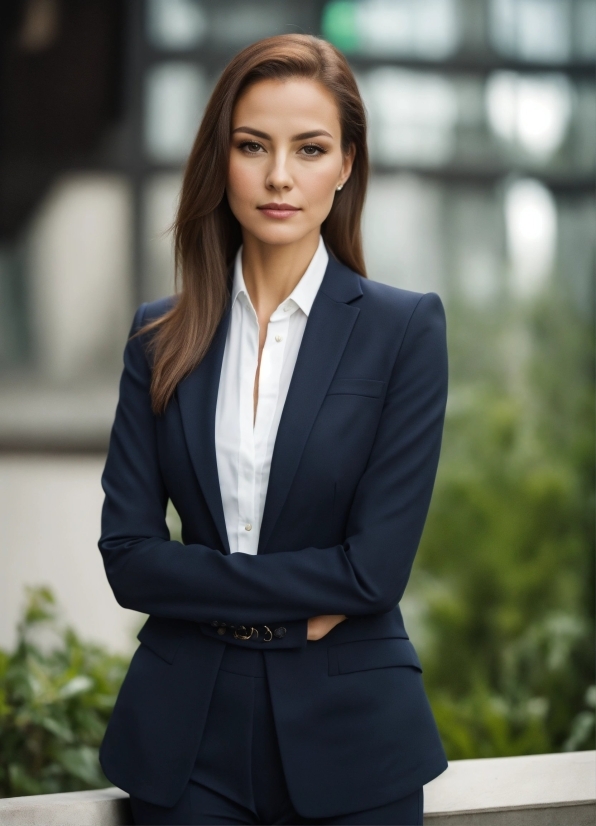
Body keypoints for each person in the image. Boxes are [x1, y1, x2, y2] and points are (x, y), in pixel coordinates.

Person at [98, 33, 448, 826]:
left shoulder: (404, 331)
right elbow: (128, 557)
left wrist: (198, 584)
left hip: (355, 736)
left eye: (310, 148)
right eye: (253, 146)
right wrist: (299, 600)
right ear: (221, 159)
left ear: (347, 164)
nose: (280, 176)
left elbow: (373, 575)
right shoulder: (158, 337)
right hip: (186, 741)